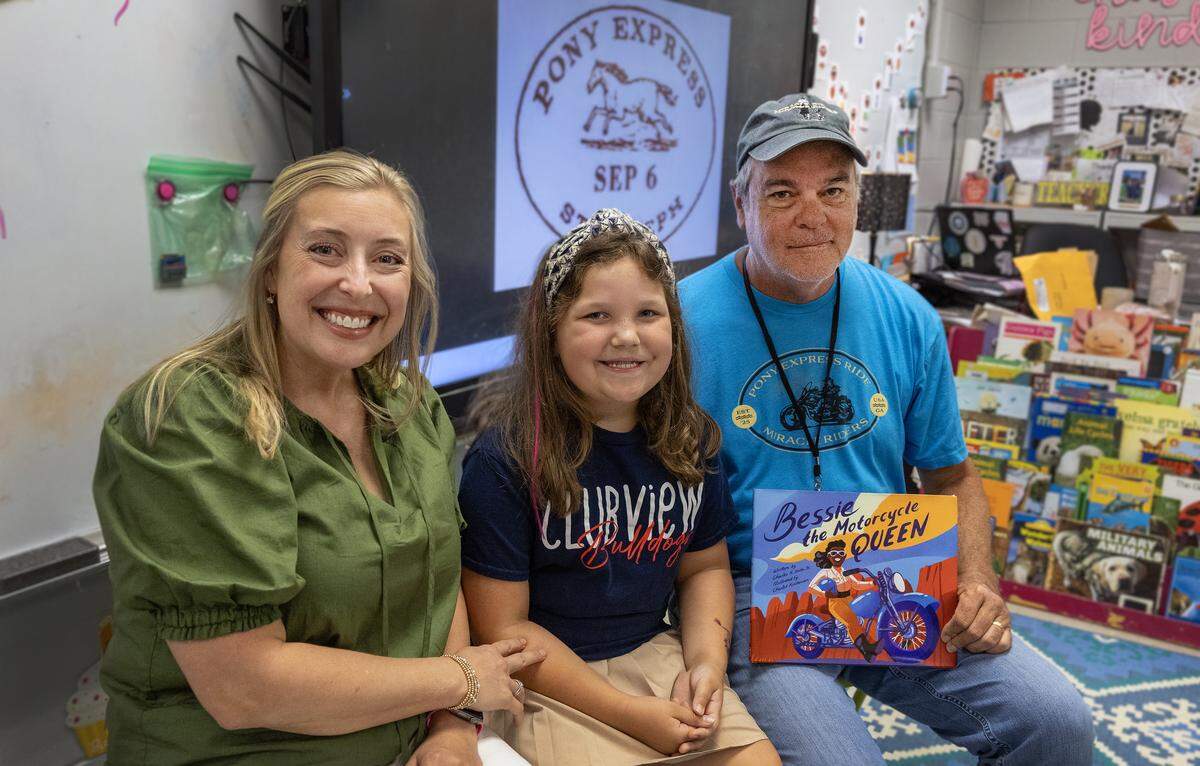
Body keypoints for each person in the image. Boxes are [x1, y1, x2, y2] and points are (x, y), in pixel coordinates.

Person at [678, 94, 1094, 764]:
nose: (814, 216)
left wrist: (979, 577)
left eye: (834, 190)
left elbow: (952, 473)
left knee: (1056, 720)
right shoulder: (675, 323)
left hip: (893, 567)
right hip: (751, 589)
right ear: (739, 203)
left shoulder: (908, 315)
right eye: (782, 192)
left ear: (857, 199)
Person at [93, 149, 542, 766]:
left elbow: (437, 588)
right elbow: (243, 686)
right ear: (271, 270)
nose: (358, 283)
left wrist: (452, 729)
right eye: (325, 250)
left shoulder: (410, 408)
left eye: (387, 259)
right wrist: (461, 681)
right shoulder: (185, 420)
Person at [457, 209, 780, 765]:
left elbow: (704, 568)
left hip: (658, 652)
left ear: (673, 327)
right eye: (597, 314)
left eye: (648, 313)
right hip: (550, 684)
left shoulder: (692, 438)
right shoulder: (504, 461)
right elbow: (503, 629)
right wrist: (628, 714)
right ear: (551, 330)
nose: (627, 335)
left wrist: (705, 663)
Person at [806, 540, 878, 662]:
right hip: (835, 602)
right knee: (851, 621)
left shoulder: (845, 572)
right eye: (834, 553)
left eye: (840, 552)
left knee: (861, 617)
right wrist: (824, 593)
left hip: (849, 599)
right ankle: (867, 652)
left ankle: (866, 645)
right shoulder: (826, 572)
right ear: (829, 556)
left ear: (844, 555)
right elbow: (811, 587)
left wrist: (872, 583)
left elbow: (857, 585)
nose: (837, 555)